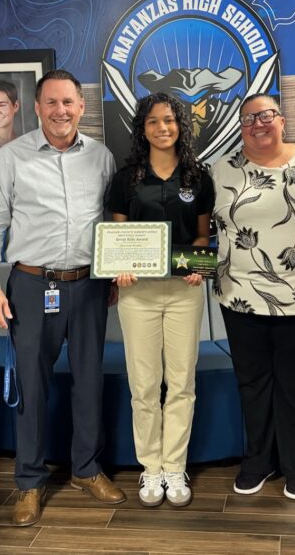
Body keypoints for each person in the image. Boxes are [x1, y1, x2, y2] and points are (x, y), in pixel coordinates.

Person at [0, 68, 123, 528]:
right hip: (32, 285)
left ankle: (86, 469)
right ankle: (30, 482)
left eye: (69, 103)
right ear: (36, 109)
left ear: (82, 107)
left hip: (88, 284)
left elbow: (113, 222)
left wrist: (116, 272)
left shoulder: (101, 157)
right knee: (32, 388)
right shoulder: (11, 157)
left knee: (88, 382)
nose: (61, 111)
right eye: (51, 103)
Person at [211, 94, 295, 501]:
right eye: (248, 118)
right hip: (240, 296)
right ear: (239, 126)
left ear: (282, 120)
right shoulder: (220, 170)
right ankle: (258, 460)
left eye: (266, 115)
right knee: (253, 382)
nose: (258, 124)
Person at [108, 92, 214, 508]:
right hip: (139, 294)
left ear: (180, 126)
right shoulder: (126, 178)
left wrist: (198, 265)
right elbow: (117, 237)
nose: (162, 128)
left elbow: (203, 236)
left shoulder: (197, 177)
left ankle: (175, 466)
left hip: (184, 291)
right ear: (142, 129)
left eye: (169, 120)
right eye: (153, 122)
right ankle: (150, 468)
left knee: (182, 382)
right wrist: (121, 264)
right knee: (145, 385)